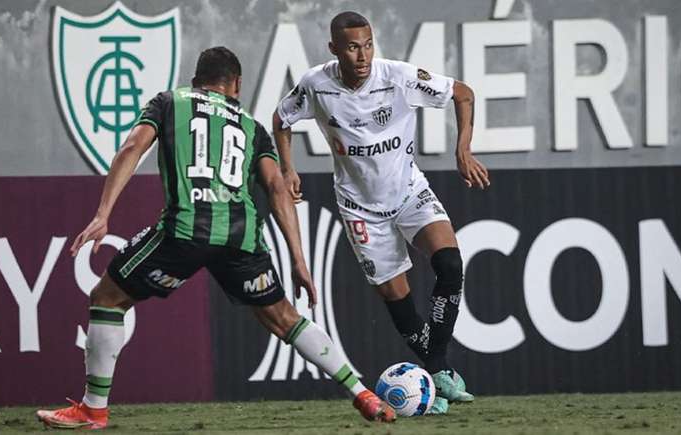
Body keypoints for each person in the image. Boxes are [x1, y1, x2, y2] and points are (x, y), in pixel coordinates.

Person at [37, 46, 395, 430]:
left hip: (185, 230)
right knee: (283, 317)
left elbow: (132, 148)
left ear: (197, 81)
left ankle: (94, 409)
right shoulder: (252, 127)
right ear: (236, 85)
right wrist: (298, 259)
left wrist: (103, 213)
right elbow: (277, 187)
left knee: (107, 297)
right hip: (241, 239)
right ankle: (362, 392)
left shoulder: (169, 102)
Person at [272, 12, 490, 414]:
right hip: (360, 209)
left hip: (410, 192)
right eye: (353, 47)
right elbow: (281, 119)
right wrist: (287, 168)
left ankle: (437, 368)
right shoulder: (316, 85)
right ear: (334, 49)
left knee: (451, 264)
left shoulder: (398, 76)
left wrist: (463, 149)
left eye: (368, 44)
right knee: (398, 301)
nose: (363, 55)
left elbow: (463, 92)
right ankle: (438, 374)